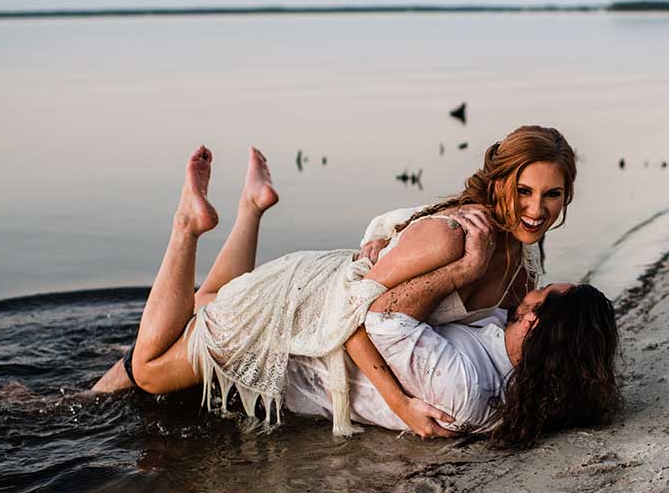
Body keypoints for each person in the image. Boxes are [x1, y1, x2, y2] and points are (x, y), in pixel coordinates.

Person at [94, 126, 581, 437]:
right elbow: (351, 315)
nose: (536, 210)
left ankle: (251, 206)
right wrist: (402, 405)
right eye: (523, 191)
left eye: (551, 195)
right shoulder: (456, 239)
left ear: (567, 194)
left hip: (317, 298)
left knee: (210, 304)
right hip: (305, 301)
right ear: (500, 184)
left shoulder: (523, 250)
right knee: (153, 366)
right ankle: (185, 225)